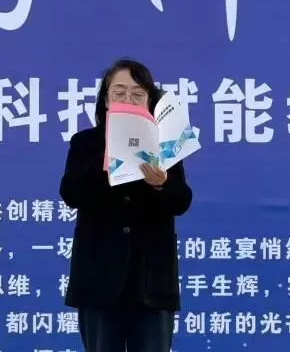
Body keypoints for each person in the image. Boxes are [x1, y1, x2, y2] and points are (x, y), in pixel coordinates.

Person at [59, 58, 193, 352]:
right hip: (98, 281)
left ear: (149, 101)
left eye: (137, 93)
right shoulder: (85, 143)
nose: (128, 99)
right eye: (119, 92)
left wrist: (162, 183)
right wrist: (105, 161)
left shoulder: (165, 142)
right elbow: (70, 193)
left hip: (151, 282)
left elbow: (182, 200)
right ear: (107, 100)